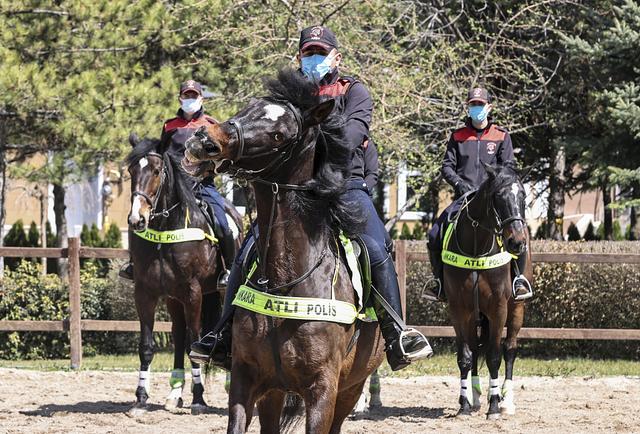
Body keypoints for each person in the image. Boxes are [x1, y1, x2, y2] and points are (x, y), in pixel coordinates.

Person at [190, 26, 433, 371]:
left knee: (375, 247)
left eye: (320, 52)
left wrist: (300, 136)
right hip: (292, 192)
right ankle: (222, 336)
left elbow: (350, 136)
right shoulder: (282, 101)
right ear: (298, 58)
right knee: (248, 249)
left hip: (345, 187)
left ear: (337, 57)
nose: (314, 59)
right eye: (308, 53)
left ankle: (397, 335)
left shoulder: (355, 92)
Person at [120, 80, 236, 287]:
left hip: (202, 186)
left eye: (194, 95)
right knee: (137, 216)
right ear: (180, 98)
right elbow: (162, 156)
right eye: (186, 95)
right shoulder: (169, 126)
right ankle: (133, 264)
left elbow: (221, 157)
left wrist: (208, 169)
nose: (190, 99)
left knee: (223, 225)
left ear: (201, 98)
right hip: (174, 189)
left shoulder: (211, 124)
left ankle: (229, 270)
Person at [422, 87, 533, 302]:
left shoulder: (501, 136)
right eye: (473, 104)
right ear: (468, 107)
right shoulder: (458, 136)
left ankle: (518, 280)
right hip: (464, 198)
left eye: (480, 105)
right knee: (435, 233)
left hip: (494, 200)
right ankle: (439, 283)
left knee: (519, 234)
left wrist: (494, 184)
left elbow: (508, 168)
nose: (476, 108)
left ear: (489, 107)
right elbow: (447, 167)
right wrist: (460, 184)